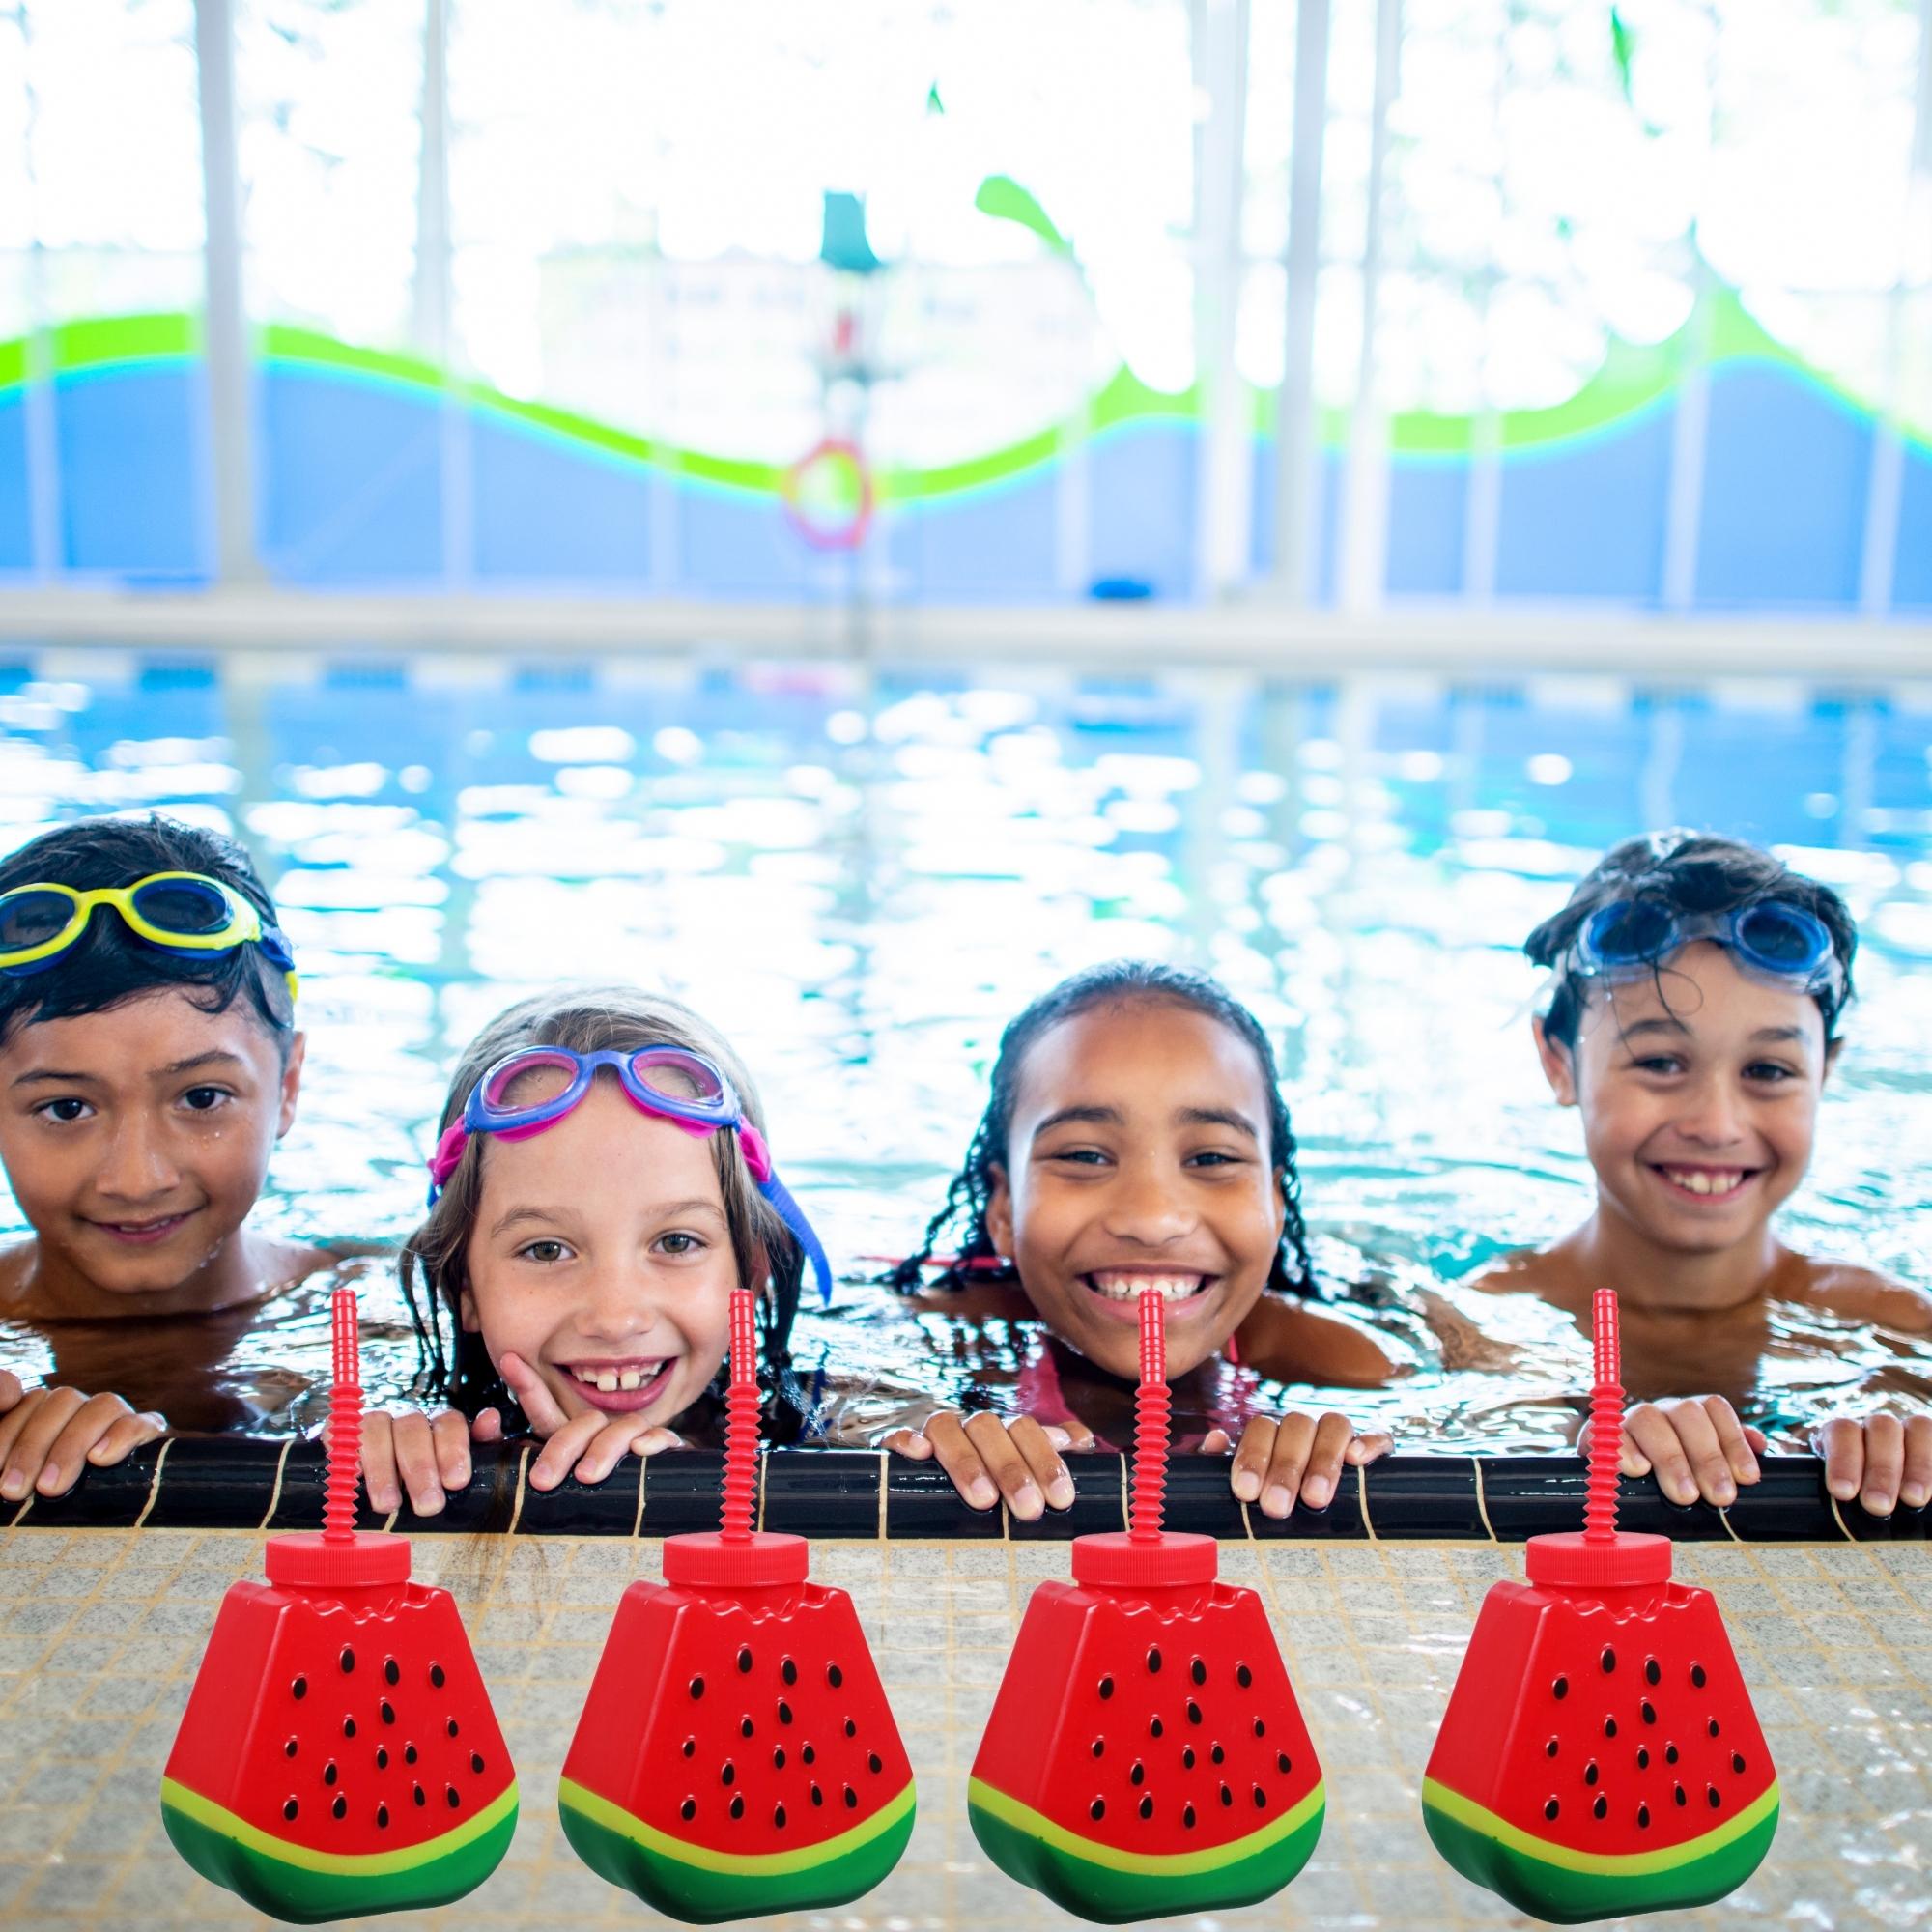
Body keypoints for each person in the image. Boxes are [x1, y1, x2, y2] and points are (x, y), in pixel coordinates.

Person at [1469, 831, 1931, 1517]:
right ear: (1558, 1060)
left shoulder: (1898, 1333)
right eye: (1660, 1063)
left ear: (1825, 1072)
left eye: (1768, 1071)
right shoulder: (1483, 1327)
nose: (1716, 1125)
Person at [883, 961, 1396, 1521]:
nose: (1152, 1221)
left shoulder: (1349, 1364)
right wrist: (905, 1428)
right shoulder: (932, 1339)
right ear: (1003, 1209)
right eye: (1084, 1156)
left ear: (1274, 1205)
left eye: (1212, 1158)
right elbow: (855, 1407)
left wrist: (1350, 1448)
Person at [360, 986, 831, 1514]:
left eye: (676, 1242)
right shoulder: (406, 1413)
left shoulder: (833, 1422)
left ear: (754, 1269)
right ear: (464, 1283)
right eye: (545, 1250)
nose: (615, 1318)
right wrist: (394, 1437)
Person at [0, 814, 332, 1500]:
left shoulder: (376, 1307)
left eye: (202, 1097)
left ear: (287, 1088)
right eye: (67, 1108)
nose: (136, 1178)